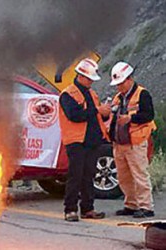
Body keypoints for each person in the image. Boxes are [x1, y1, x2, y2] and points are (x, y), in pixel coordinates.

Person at [58, 58, 110, 222]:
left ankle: (88, 208)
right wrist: (97, 110)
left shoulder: (92, 94)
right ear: (80, 76)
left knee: (89, 175)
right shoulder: (67, 94)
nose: (91, 82)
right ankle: (70, 209)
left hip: (92, 141)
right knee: (76, 175)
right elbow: (74, 116)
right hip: (76, 142)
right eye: (89, 79)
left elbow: (97, 115)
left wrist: (105, 112)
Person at [108, 62, 157, 218]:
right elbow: (112, 118)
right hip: (119, 143)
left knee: (139, 175)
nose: (118, 87)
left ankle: (146, 207)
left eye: (120, 83)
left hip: (136, 142)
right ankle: (131, 204)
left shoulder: (143, 94)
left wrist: (130, 119)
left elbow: (148, 115)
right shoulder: (117, 98)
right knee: (123, 177)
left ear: (129, 79)